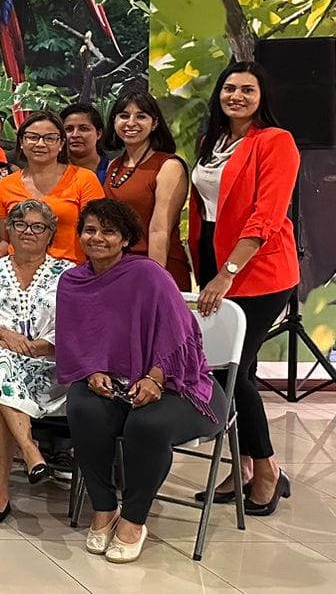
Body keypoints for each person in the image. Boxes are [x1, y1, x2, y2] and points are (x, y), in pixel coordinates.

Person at [59, 199, 226, 563]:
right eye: (90, 230)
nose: (97, 238)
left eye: (108, 231)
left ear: (124, 239)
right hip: (119, 387)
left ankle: (134, 519)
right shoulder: (72, 282)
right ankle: (103, 508)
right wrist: (92, 371)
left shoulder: (149, 275)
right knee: (82, 406)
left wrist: (155, 376)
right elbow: (77, 343)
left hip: (183, 385)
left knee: (147, 424)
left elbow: (182, 338)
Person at [189, 61, 299, 515]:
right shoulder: (214, 141)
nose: (236, 96)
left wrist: (228, 270)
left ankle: (267, 470)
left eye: (247, 89)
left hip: (259, 268)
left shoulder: (275, 142)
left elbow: (267, 216)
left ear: (262, 96)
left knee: (232, 371)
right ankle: (246, 467)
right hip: (219, 261)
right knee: (236, 374)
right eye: (230, 88)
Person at [0, 199, 75, 524]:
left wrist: (40, 347)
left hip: (47, 367)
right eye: (21, 225)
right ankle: (29, 449)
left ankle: (0, 489)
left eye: (38, 226)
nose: (28, 232)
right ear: (8, 230)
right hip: (1, 360)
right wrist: (3, 334)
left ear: (50, 234)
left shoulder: (67, 274)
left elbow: (72, 328)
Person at [101, 90, 191, 292]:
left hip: (159, 268)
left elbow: (160, 230)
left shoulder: (169, 166)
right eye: (124, 116)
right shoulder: (113, 165)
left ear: (155, 123)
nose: (131, 123)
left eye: (141, 116)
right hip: (117, 268)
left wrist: (153, 282)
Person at [0, 112, 103, 262]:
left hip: (71, 272)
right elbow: (5, 239)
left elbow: (97, 234)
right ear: (21, 141)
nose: (40, 144)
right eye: (32, 137)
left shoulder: (84, 179)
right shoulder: (4, 186)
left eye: (50, 138)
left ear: (61, 144)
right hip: (19, 273)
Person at [63, 103, 111, 181]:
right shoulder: (53, 173)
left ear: (98, 134)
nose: (75, 135)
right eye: (69, 129)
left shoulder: (112, 171)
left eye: (83, 129)